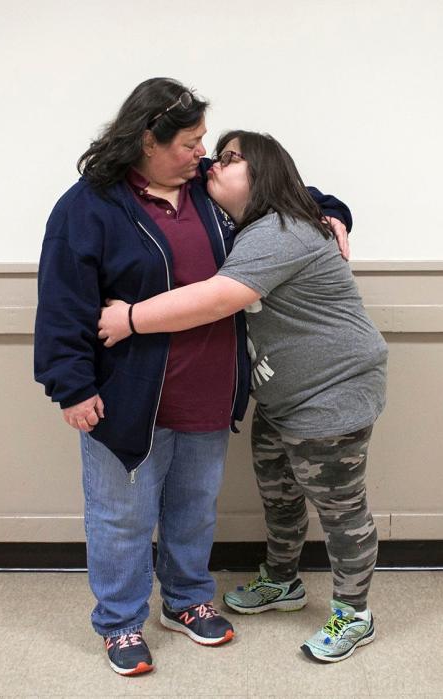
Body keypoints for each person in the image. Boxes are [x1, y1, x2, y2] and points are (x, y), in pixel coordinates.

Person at [34, 79, 352, 677]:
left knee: (193, 508)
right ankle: (121, 623)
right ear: (146, 138)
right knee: (121, 516)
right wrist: (69, 387)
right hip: (128, 397)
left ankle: (185, 599)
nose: (201, 153)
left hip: (207, 386)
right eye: (189, 142)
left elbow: (289, 189)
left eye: (205, 141)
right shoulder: (90, 206)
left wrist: (331, 212)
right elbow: (61, 304)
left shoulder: (208, 190)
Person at [97, 130, 387, 664]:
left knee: (340, 508)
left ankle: (356, 612)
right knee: (279, 494)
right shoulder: (243, 222)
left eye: (229, 159)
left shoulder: (281, 231)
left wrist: (130, 318)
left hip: (332, 393)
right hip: (284, 394)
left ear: (263, 177)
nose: (212, 165)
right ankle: (282, 581)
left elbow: (219, 299)